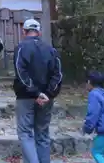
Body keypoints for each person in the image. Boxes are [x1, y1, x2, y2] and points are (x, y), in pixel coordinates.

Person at [13, 18, 63, 163]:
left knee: (25, 133)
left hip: (26, 97)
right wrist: (48, 93)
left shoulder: (21, 48)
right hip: (46, 99)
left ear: (24, 31)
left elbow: (20, 72)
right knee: (42, 134)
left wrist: (35, 92)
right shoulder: (51, 50)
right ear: (39, 32)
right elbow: (57, 75)